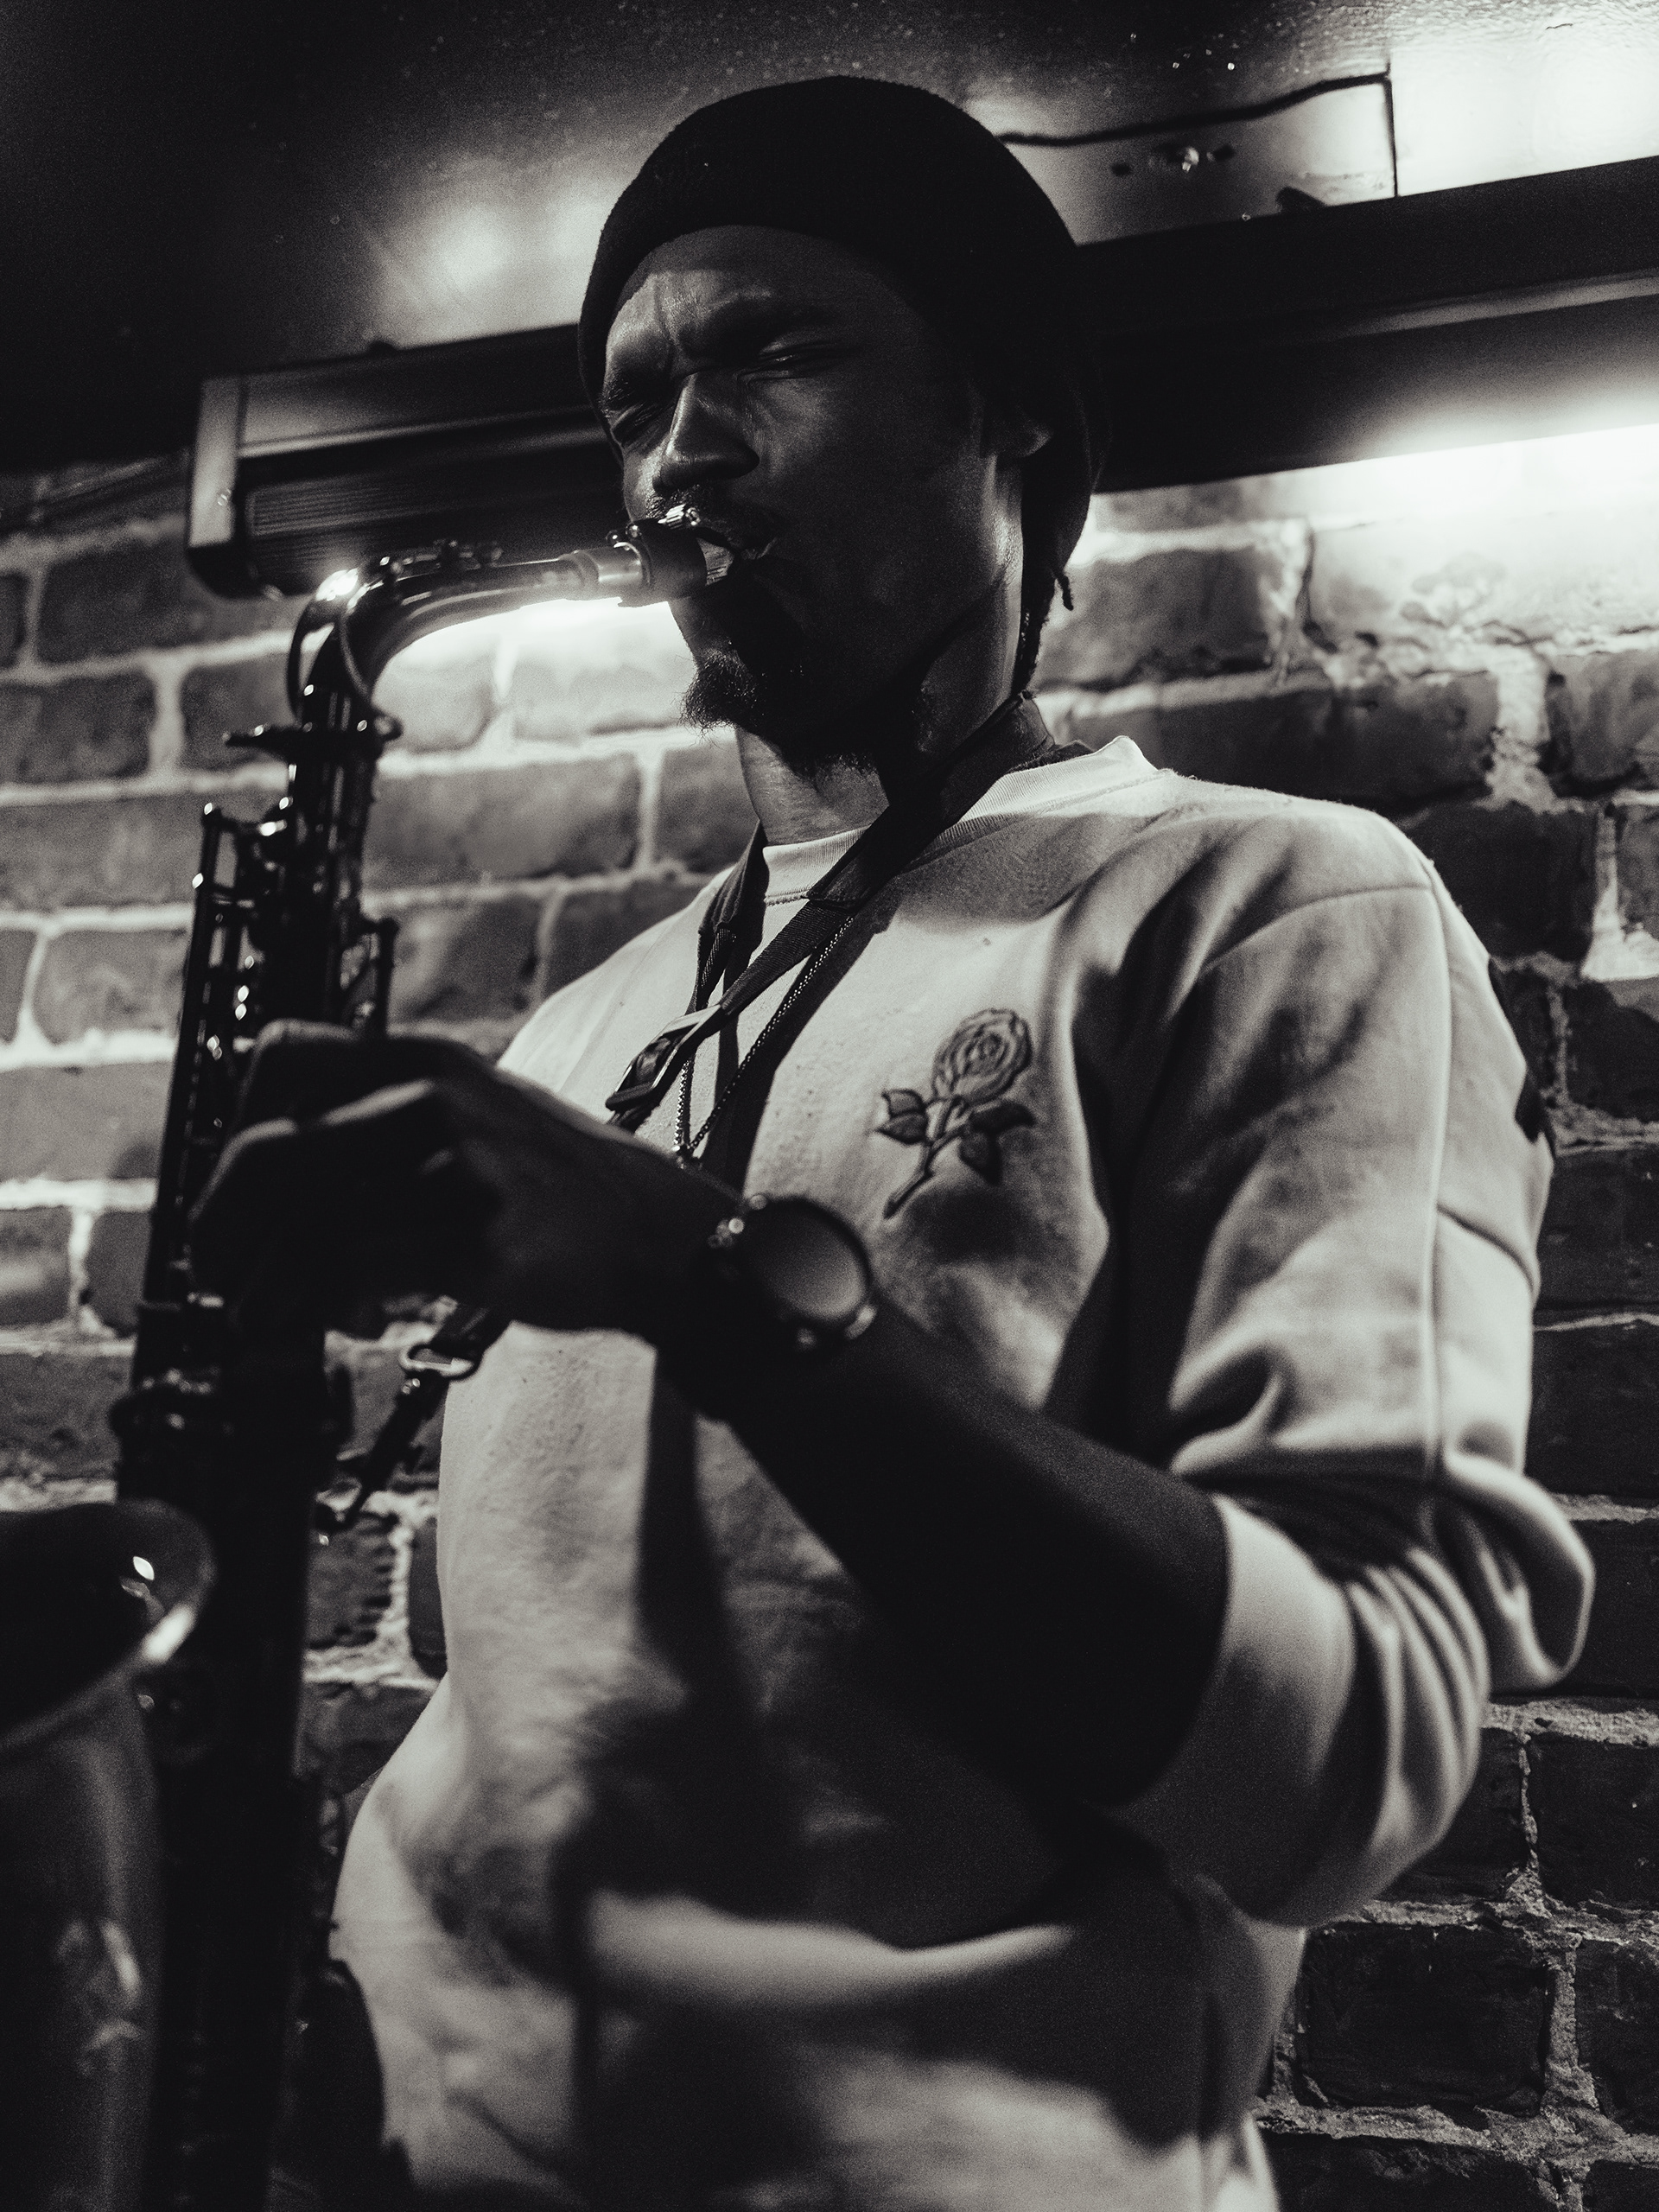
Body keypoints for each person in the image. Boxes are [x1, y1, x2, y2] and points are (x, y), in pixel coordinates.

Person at [207, 78, 1594, 2212]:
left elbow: (1347, 1755)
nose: (678, 451)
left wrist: (709, 1281)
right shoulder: (580, 1028)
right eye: (635, 402)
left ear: (1009, 409)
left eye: (773, 349)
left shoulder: (1274, 900)